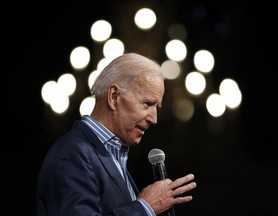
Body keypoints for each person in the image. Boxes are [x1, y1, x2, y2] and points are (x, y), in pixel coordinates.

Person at [36, 52, 197, 216]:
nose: (154, 119)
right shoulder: (71, 154)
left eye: (157, 107)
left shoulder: (111, 154)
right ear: (114, 96)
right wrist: (144, 208)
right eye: (148, 103)